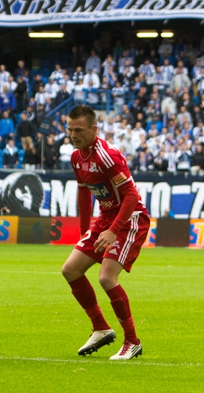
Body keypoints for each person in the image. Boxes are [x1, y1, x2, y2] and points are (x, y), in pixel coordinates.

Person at [61, 105, 149, 361]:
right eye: (70, 129)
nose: (73, 134)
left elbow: (132, 195)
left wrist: (113, 231)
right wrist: (84, 230)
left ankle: (132, 342)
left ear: (94, 129)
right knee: (70, 270)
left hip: (130, 218)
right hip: (105, 219)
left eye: (79, 130)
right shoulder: (77, 157)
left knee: (106, 278)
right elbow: (83, 191)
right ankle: (100, 327)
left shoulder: (107, 156)